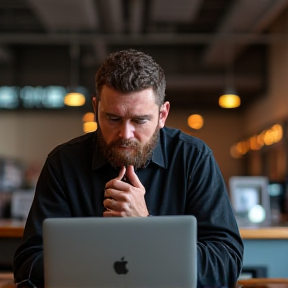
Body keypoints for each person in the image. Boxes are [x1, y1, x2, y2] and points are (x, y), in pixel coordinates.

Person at [13, 49, 243, 288]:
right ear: (95, 109)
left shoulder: (193, 158)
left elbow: (225, 263)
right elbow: (28, 262)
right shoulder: (63, 163)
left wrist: (146, 227)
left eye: (139, 120)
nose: (125, 134)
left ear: (162, 115)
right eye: (113, 118)